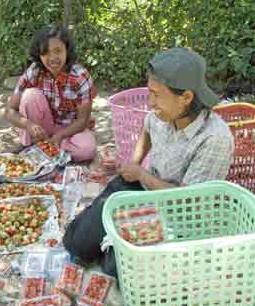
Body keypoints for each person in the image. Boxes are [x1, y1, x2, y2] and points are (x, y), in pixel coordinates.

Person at [62, 47, 235, 277]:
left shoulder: (214, 139)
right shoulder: (163, 113)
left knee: (116, 268)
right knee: (75, 242)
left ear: (186, 98)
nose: (151, 103)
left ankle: (114, 243)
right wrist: (133, 164)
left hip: (178, 216)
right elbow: (147, 129)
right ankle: (110, 237)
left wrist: (142, 175)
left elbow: (188, 201)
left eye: (156, 95)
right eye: (149, 93)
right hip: (144, 190)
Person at [4, 25, 97, 162]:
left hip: (72, 129)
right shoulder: (34, 72)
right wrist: (29, 125)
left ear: (67, 51)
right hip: (43, 127)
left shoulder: (80, 77)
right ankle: (34, 145)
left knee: (87, 151)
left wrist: (61, 135)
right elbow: (9, 110)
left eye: (58, 51)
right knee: (30, 95)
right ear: (39, 55)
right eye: (46, 53)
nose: (52, 58)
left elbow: (83, 120)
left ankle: (43, 148)